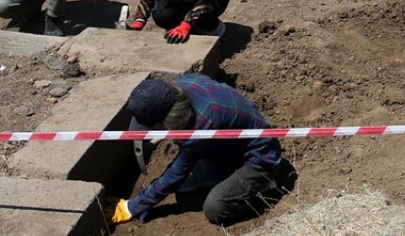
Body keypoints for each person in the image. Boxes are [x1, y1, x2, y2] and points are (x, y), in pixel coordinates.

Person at [109, 75, 295, 227]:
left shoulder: (200, 127)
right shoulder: (184, 84)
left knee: (215, 208)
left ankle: (263, 182)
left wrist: (133, 206)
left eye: (153, 126)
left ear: (170, 118)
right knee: (183, 185)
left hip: (259, 158)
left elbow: (177, 172)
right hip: (229, 143)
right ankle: (216, 170)